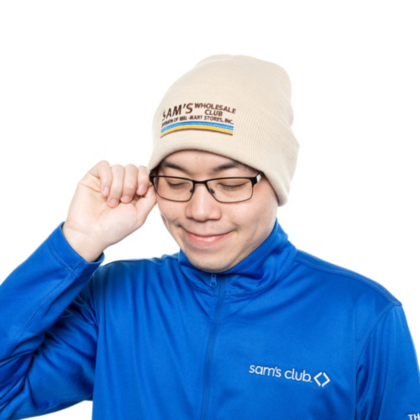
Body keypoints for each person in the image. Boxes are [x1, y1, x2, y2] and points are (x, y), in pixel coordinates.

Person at [0, 54, 419, 420]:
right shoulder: (118, 299)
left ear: (276, 185)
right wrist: (76, 243)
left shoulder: (362, 316)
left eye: (230, 184)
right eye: (176, 182)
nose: (200, 210)